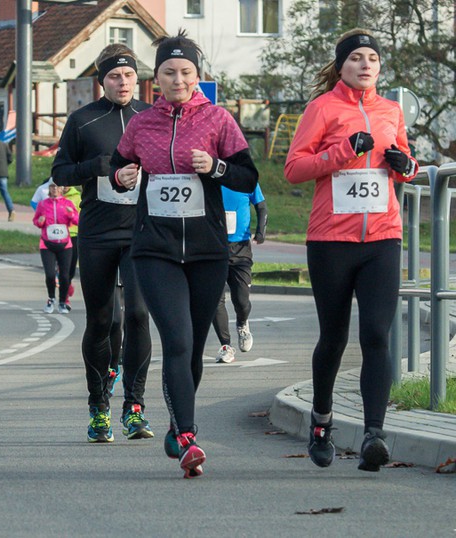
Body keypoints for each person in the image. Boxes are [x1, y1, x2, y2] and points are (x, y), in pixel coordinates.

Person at [110, 31, 258, 477]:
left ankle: (177, 424)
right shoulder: (141, 123)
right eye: (169, 72)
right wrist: (122, 176)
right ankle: (190, 435)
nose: (178, 79)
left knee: (192, 347)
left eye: (186, 72)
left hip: (208, 251)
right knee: (176, 339)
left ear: (198, 77)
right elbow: (118, 166)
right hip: (154, 249)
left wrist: (216, 167)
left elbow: (248, 178)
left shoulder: (218, 120)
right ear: (155, 79)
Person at [284, 29, 417, 472]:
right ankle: (321, 423)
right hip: (331, 241)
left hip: (382, 237)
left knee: (377, 335)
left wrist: (406, 168)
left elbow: (406, 162)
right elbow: (294, 169)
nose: (365, 65)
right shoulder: (322, 108)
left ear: (380, 67)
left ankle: (374, 436)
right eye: (356, 58)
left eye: (373, 58)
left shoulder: (391, 110)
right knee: (334, 338)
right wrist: (341, 151)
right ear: (340, 66)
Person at [51, 43, 153, 443]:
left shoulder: (151, 116)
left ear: (137, 79)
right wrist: (97, 167)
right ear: (102, 81)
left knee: (139, 316)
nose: (122, 82)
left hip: (143, 231)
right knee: (102, 320)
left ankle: (135, 408)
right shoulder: (83, 120)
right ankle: (98, 408)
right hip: (97, 233)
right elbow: (60, 170)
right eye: (114, 76)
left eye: (128, 75)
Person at [211, 184, 268, 364]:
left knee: (242, 301)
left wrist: (261, 231)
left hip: (241, 248)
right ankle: (226, 346)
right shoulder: (208, 177)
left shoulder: (245, 177)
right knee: (215, 300)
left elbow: (261, 206)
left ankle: (242, 324)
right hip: (213, 247)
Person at [32, 180, 79, 314]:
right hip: (47, 244)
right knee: (50, 274)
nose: (55, 189)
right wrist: (40, 222)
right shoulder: (43, 204)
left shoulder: (67, 203)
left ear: (62, 189)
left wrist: (71, 214)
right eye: (52, 187)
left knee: (65, 276)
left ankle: (63, 301)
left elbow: (77, 220)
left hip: (65, 244)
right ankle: (51, 298)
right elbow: (36, 220)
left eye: (57, 187)